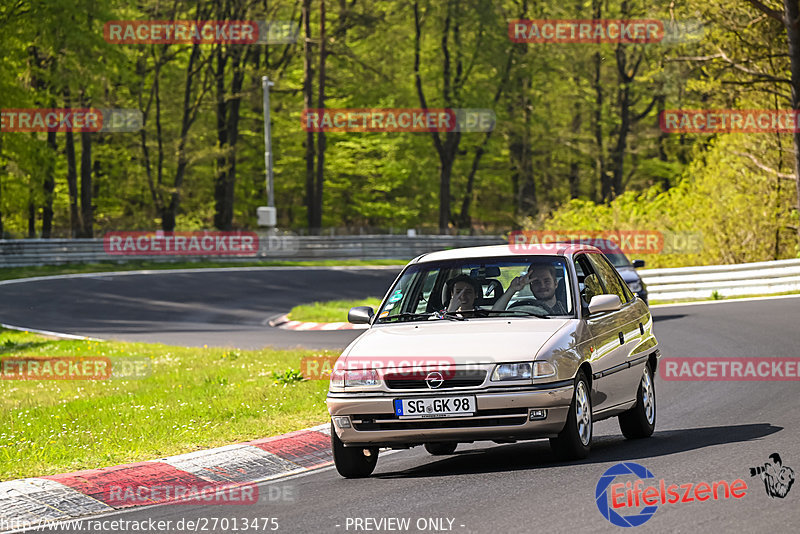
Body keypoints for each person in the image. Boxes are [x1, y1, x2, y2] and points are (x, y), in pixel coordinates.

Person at [492, 264, 567, 315]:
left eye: (547, 281)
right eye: (536, 282)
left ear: (555, 284)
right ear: (531, 287)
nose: (542, 286)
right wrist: (512, 289)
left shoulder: (567, 310)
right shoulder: (519, 309)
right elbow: (493, 317)